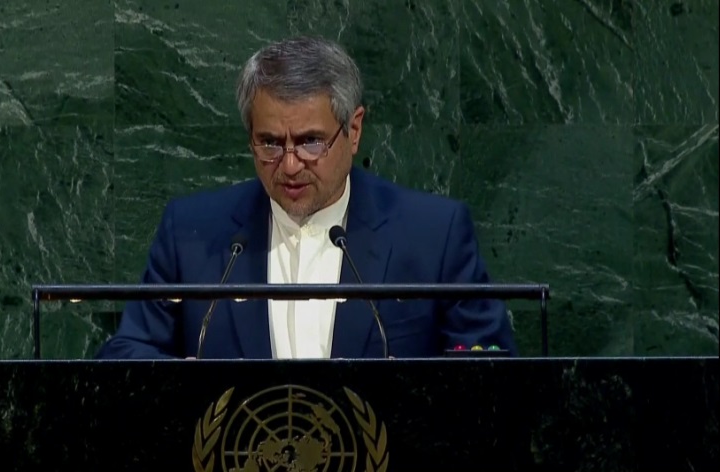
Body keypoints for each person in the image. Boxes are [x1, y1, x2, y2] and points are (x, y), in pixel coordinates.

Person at [96, 36, 517, 360]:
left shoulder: (434, 234)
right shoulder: (193, 233)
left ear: (353, 131)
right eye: (270, 143)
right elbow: (126, 352)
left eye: (311, 141)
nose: (290, 164)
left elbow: (489, 360)